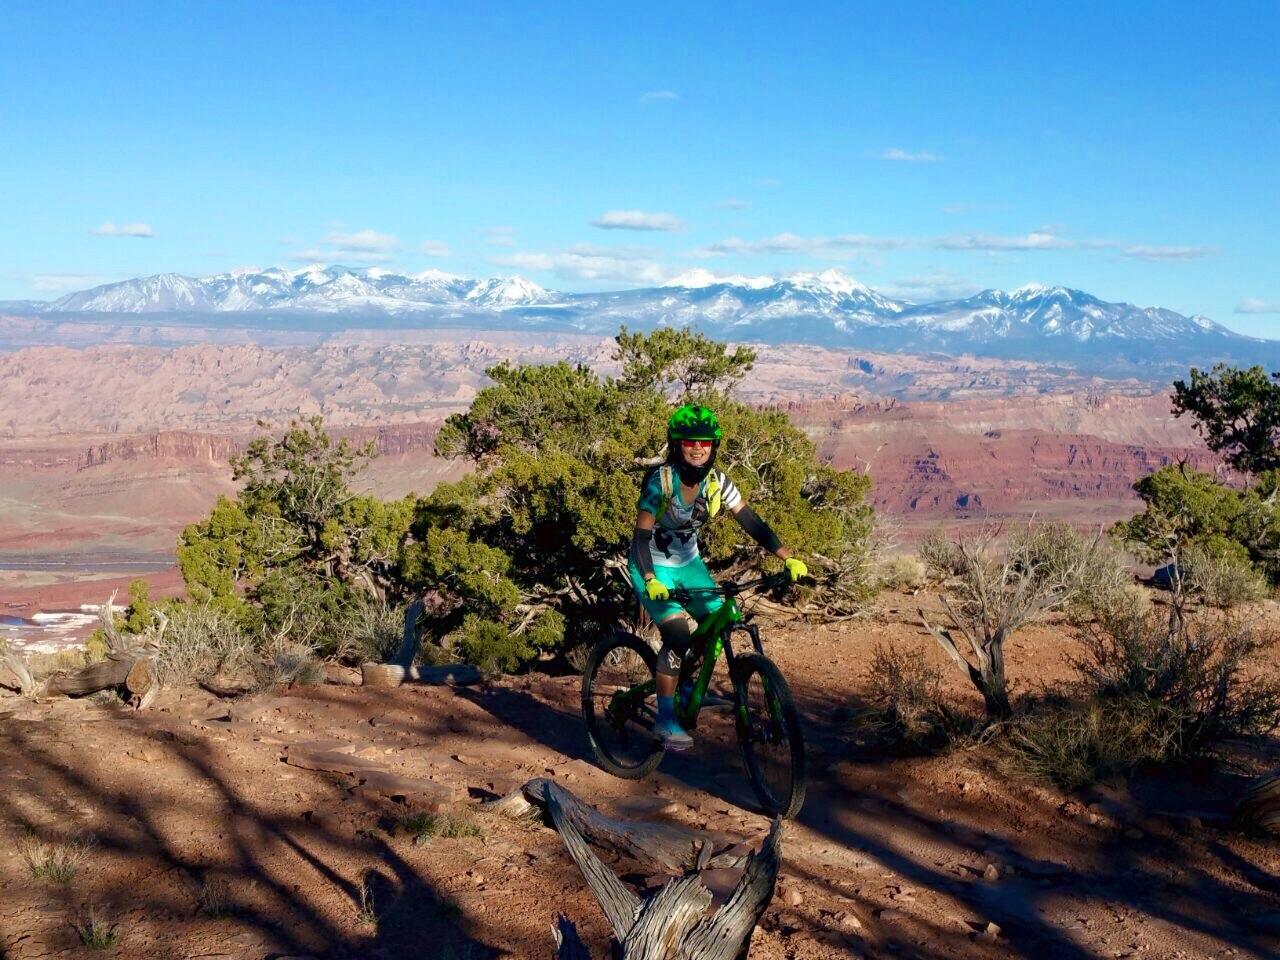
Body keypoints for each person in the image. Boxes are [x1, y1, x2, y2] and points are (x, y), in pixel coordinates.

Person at [628, 403, 807, 750]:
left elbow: (751, 521)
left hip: (689, 564)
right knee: (678, 634)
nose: (698, 449)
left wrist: (788, 558)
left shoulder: (717, 483)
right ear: (676, 444)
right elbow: (641, 537)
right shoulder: (661, 482)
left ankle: (681, 682)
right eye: (690, 442)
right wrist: (650, 578)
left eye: (706, 443)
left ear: (714, 447)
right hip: (650, 564)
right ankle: (665, 720)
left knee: (716, 626)